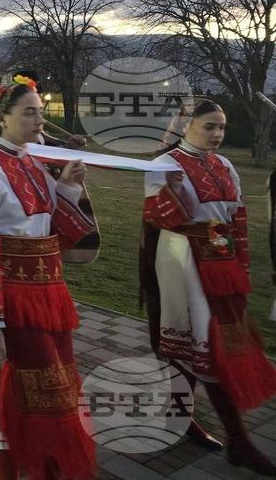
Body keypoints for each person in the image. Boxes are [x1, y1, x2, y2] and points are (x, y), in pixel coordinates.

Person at [0, 75, 96, 480]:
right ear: (2, 118)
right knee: (17, 404)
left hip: (47, 298)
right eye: (29, 112)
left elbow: (57, 228)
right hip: (11, 302)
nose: (40, 121)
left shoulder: (32, 163)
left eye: (41, 111)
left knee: (54, 395)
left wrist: (66, 187)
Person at [141, 99, 276, 474]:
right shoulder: (162, 165)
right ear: (186, 124)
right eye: (209, 126)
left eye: (221, 127)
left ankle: (178, 415)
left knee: (197, 342)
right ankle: (240, 441)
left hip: (220, 258)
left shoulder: (224, 164)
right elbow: (157, 217)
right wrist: (170, 190)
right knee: (208, 346)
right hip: (183, 258)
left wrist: (240, 264)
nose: (217, 134)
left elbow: (237, 214)